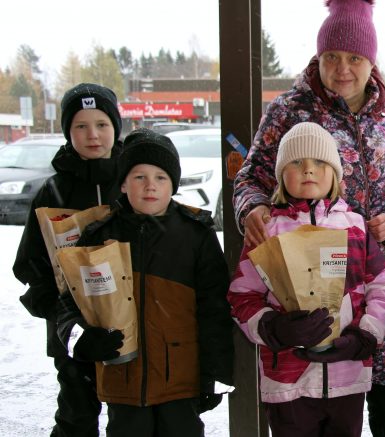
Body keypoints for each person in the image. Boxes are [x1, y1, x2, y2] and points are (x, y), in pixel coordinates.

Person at [232, 1, 385, 434]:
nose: (343, 68)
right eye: (332, 57)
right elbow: (250, 175)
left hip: (383, 296)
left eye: (355, 58)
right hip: (305, 308)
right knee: (306, 413)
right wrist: (253, 208)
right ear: (318, 57)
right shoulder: (290, 111)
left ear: (371, 61)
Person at [56, 129, 234, 436]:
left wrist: (214, 374)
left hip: (181, 380)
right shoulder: (98, 235)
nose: (150, 185)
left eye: (161, 177)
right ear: (123, 183)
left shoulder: (196, 234)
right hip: (121, 378)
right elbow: (69, 303)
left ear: (173, 185)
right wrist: (81, 339)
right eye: (139, 176)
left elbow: (215, 309)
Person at [228, 122, 385, 436]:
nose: (308, 170)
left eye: (319, 162)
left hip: (347, 378)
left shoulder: (356, 228)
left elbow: (384, 286)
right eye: (296, 163)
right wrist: (272, 327)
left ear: (335, 173)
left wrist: (365, 337)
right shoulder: (267, 232)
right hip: (287, 382)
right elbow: (242, 295)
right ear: (281, 175)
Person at [13, 82, 124, 437]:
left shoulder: (134, 180)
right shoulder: (53, 190)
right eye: (81, 126)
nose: (93, 135)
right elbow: (31, 262)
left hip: (129, 322)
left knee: (130, 416)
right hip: (72, 327)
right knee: (76, 416)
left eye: (102, 124)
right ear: (67, 132)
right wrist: (58, 312)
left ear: (116, 128)